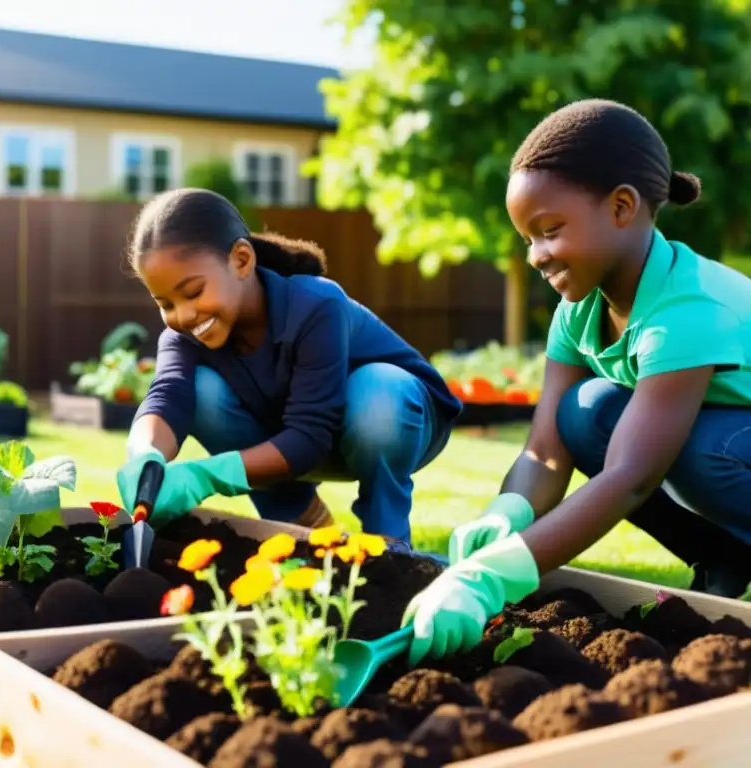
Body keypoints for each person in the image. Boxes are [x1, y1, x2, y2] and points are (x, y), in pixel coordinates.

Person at [400, 98, 751, 666]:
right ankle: (724, 560)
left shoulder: (686, 308)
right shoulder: (580, 310)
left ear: (621, 207)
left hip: (732, 444)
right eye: (527, 239)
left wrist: (493, 577)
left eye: (549, 230)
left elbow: (632, 477)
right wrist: (507, 512)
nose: (536, 255)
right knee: (585, 413)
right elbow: (546, 450)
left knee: (696, 448)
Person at [114, 188, 463, 546]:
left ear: (241, 260)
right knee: (201, 390)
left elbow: (310, 435)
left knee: (377, 391)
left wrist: (207, 476)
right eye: (165, 303)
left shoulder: (315, 305)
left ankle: (388, 546)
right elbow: (167, 395)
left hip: (394, 423)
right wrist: (145, 455)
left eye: (193, 292)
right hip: (295, 435)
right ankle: (303, 527)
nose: (184, 315)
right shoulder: (184, 335)